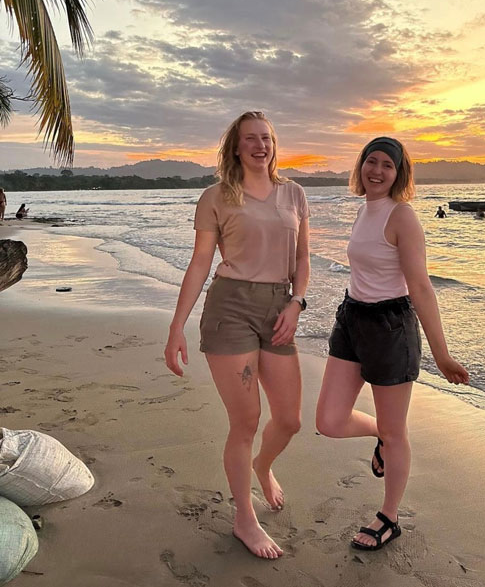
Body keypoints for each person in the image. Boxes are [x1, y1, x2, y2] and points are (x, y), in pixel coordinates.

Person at [164, 111, 310, 560]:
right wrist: (176, 327)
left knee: (289, 420)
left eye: (266, 138)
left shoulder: (295, 193)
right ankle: (244, 518)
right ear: (235, 146)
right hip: (230, 309)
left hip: (279, 308)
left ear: (274, 144)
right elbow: (200, 262)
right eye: (250, 139)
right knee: (246, 421)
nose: (260, 145)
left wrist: (297, 302)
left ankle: (262, 467)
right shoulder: (215, 197)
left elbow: (303, 260)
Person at [316, 136, 469, 552]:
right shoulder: (364, 210)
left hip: (390, 328)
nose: (377, 171)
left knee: (397, 431)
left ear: (399, 174)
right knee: (328, 421)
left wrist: (441, 353)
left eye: (387, 165)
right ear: (361, 166)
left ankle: (389, 517)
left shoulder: (403, 217)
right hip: (351, 319)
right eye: (372, 161)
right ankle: (380, 435)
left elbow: (420, 287)